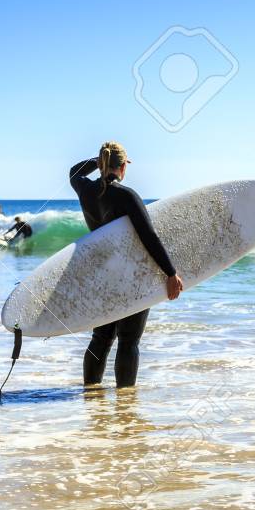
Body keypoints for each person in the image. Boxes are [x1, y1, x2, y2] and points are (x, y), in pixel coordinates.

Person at [70, 141, 184, 388]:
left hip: (101, 274)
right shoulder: (126, 196)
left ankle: (91, 396)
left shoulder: (85, 190)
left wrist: (98, 161)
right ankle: (125, 404)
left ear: (102, 164)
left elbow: (74, 172)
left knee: (101, 337)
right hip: (130, 274)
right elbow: (148, 236)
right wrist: (171, 273)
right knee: (129, 341)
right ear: (123, 167)